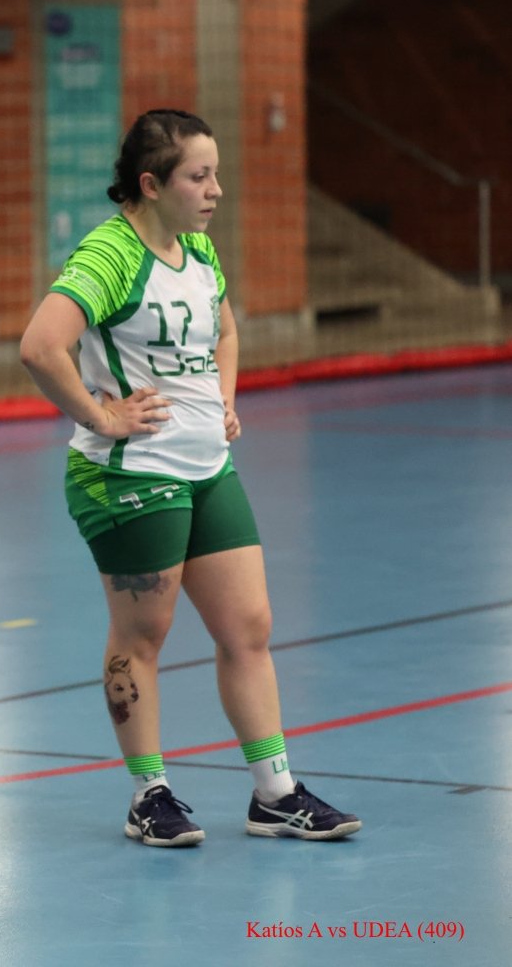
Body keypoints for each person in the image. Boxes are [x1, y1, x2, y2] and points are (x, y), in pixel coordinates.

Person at [19, 109, 360, 847]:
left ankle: (274, 795)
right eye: (199, 177)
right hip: (132, 473)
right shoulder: (112, 254)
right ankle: (149, 795)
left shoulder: (198, 250)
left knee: (249, 627)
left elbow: (225, 330)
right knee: (143, 633)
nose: (216, 191)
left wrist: (223, 399)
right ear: (151, 184)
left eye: (216, 175)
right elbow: (41, 346)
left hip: (207, 467)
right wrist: (101, 416)